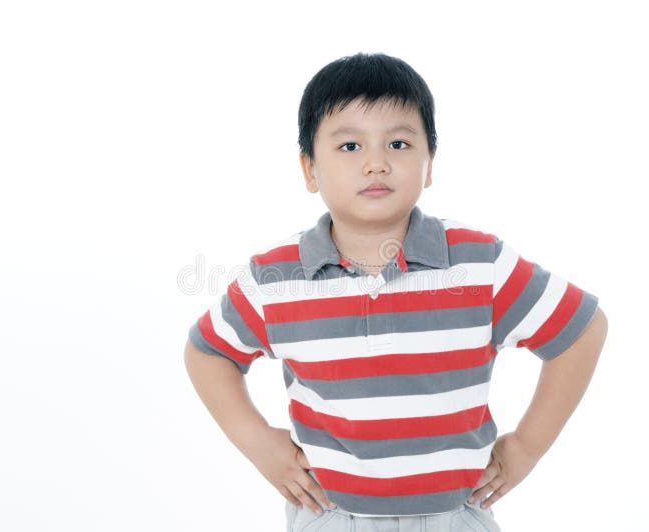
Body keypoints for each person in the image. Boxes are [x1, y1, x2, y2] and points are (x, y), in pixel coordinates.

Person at [184, 52, 609, 531]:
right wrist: (259, 442)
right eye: (349, 147)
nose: (376, 164)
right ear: (309, 169)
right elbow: (208, 353)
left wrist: (527, 446)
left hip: (455, 516)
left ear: (429, 165)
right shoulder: (276, 278)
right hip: (332, 516)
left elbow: (581, 329)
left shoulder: (478, 263)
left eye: (400, 143)